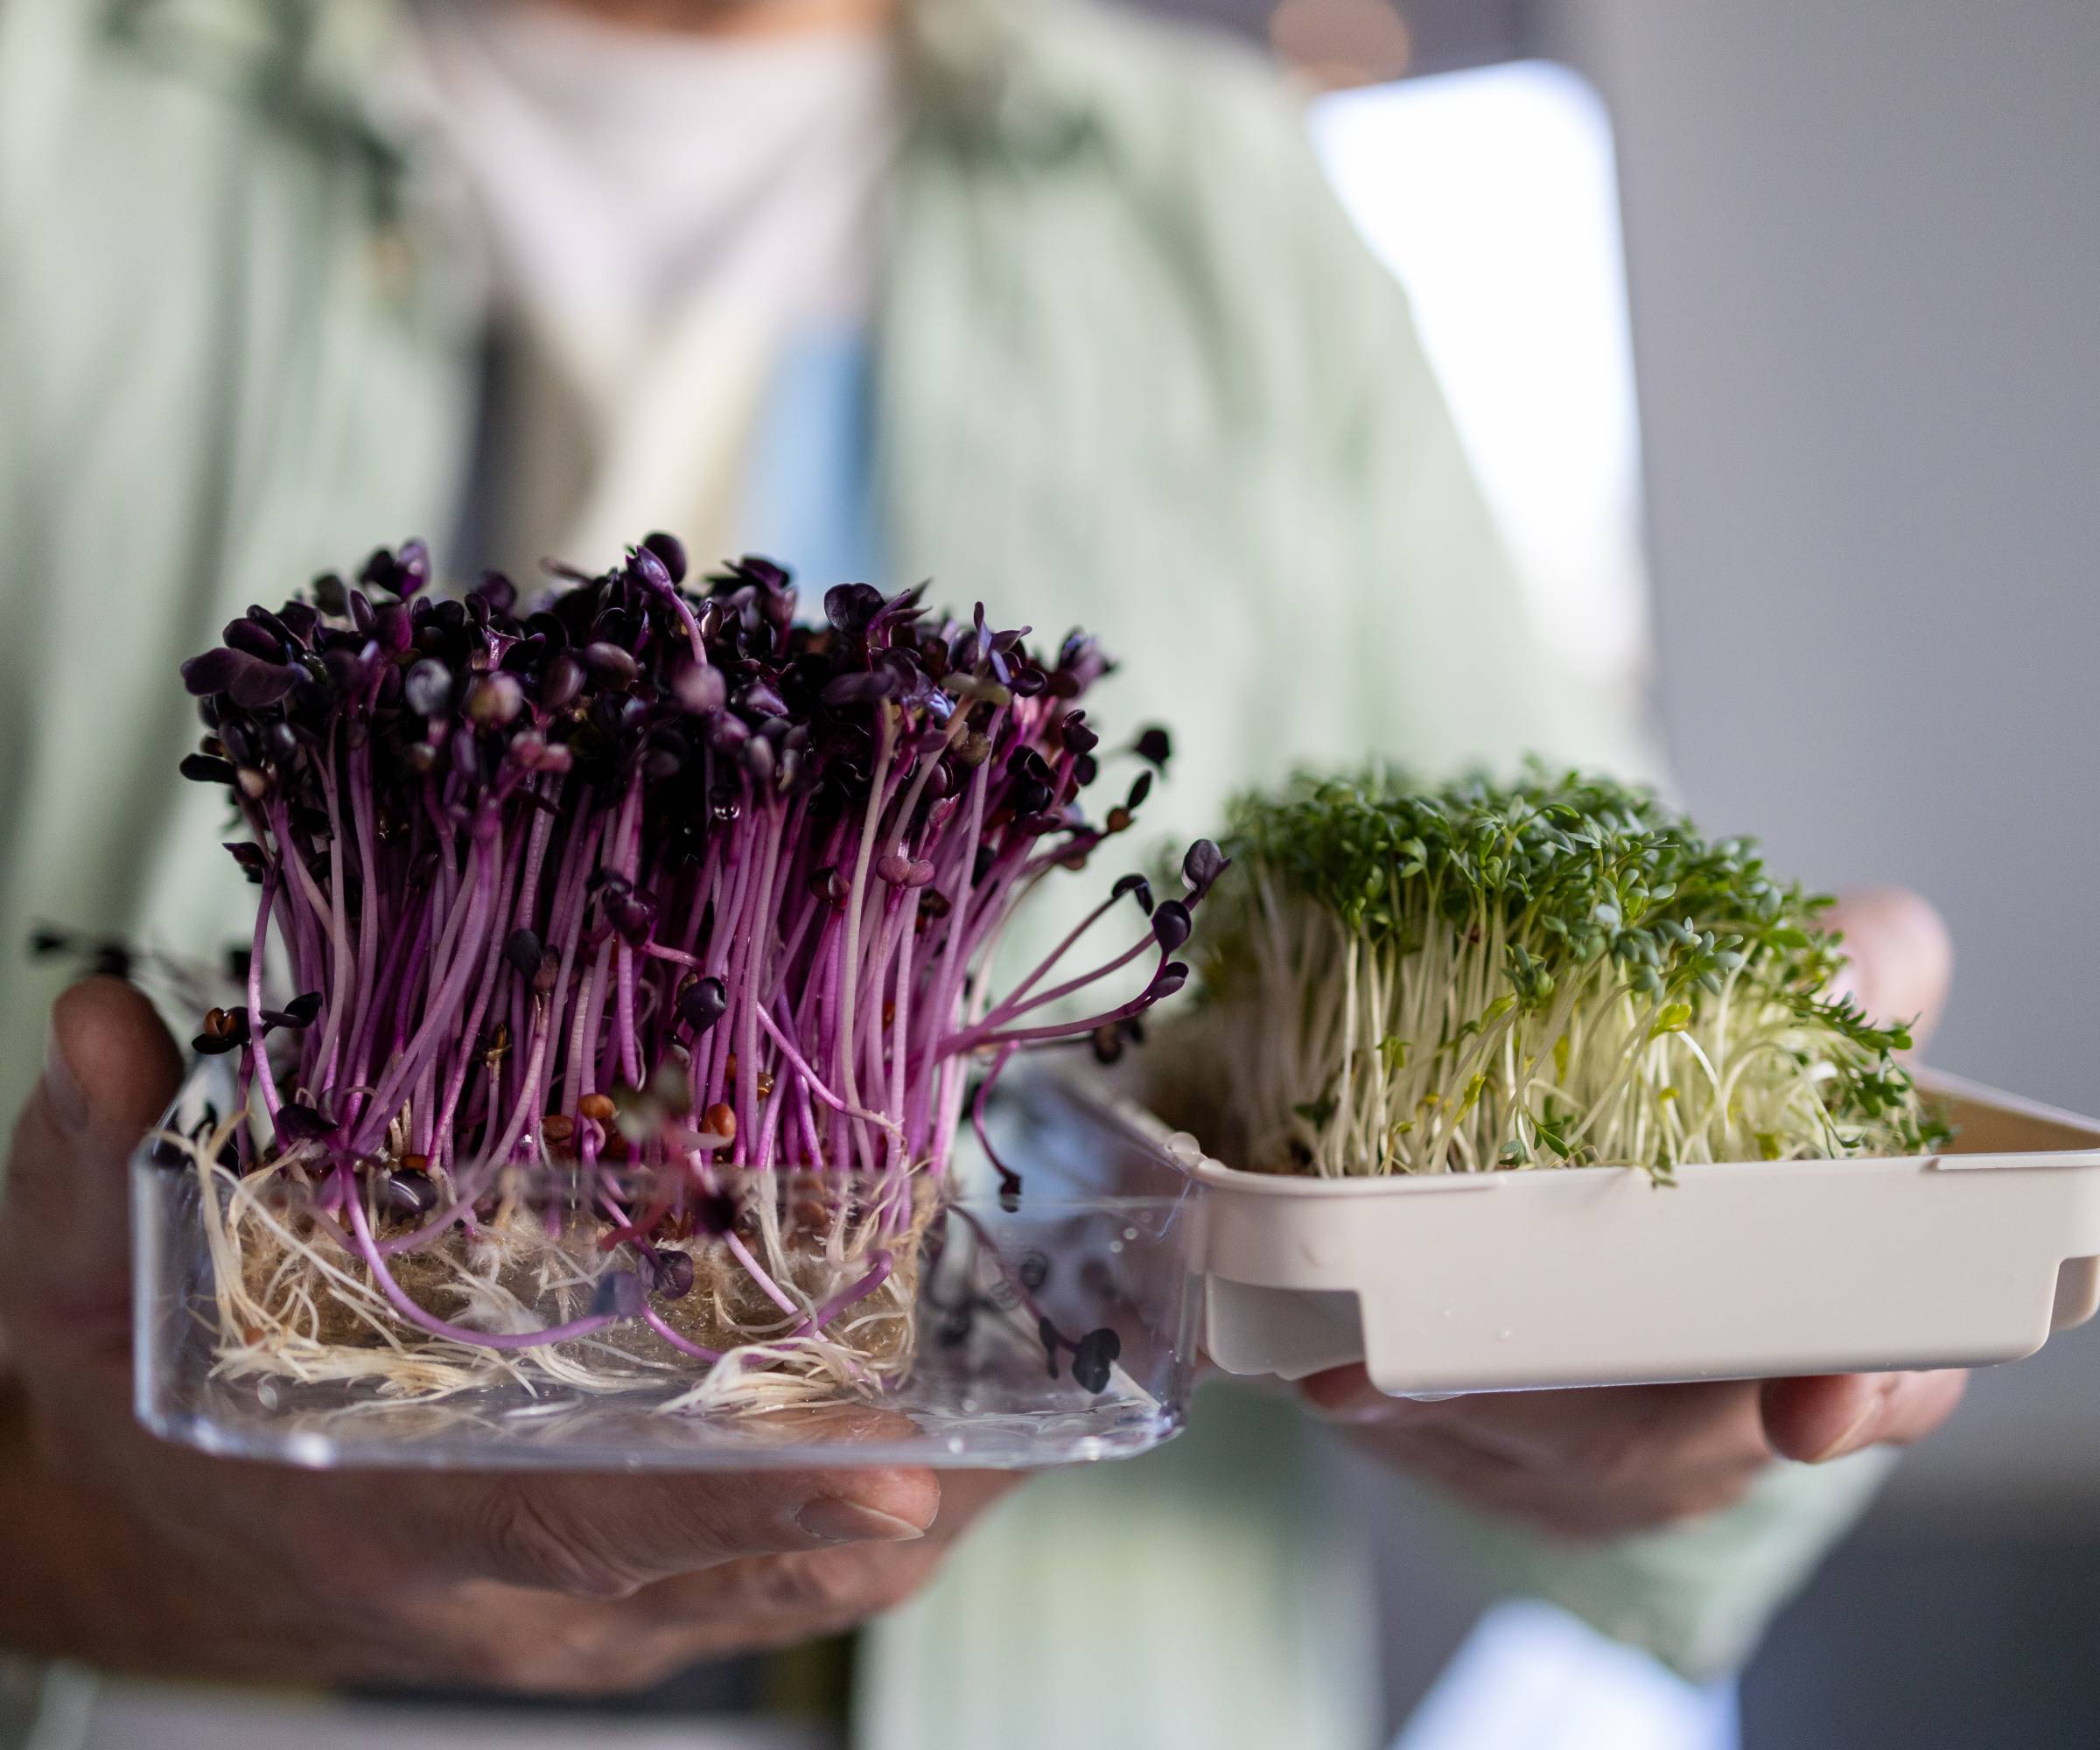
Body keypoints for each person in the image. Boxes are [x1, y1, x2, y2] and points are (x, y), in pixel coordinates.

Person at [0, 0, 1964, 1746]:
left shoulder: (1229, 216)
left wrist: (1659, 1372)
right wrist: (55, 1542)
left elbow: (1554, 1264)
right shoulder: (51, 112)